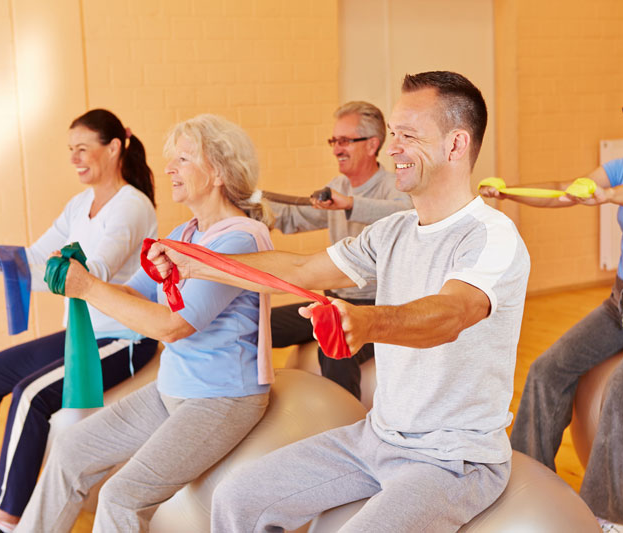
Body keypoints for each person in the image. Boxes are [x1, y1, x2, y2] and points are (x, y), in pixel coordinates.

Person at [148, 71, 530, 532]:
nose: (393, 149)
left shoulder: (491, 235)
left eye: (409, 135)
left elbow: (452, 315)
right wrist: (195, 262)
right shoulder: (393, 232)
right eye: (394, 134)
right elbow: (298, 270)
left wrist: (366, 323)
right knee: (237, 499)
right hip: (377, 438)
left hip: (454, 459)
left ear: (455, 145)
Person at [15, 114, 275, 532]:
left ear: (218, 172)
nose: (169, 168)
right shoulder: (184, 233)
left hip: (221, 399)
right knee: (70, 450)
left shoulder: (239, 239)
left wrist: (88, 289)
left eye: (184, 159)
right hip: (174, 388)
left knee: (121, 497)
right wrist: (87, 278)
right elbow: (135, 292)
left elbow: (173, 325)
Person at [481, 72, 623, 533]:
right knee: (547, 369)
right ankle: (526, 482)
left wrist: (608, 196)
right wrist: (509, 192)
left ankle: (604, 518)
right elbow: (568, 190)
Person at [0, 109, 159, 533]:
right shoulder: (80, 204)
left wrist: (67, 269)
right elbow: (32, 260)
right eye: (71, 150)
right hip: (83, 334)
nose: (74, 158)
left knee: (29, 395)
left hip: (124, 339)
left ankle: (8, 521)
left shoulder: (132, 207)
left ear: (114, 148)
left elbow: (95, 271)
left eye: (83, 148)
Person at [270, 101, 412, 400]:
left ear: (372, 144)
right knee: (258, 325)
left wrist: (349, 203)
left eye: (345, 141)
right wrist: (253, 210)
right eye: (334, 141)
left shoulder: (393, 187)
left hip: (375, 309)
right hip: (331, 304)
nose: (336, 149)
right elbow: (297, 217)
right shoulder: (338, 186)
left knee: (336, 350)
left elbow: (406, 215)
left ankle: (346, 432)